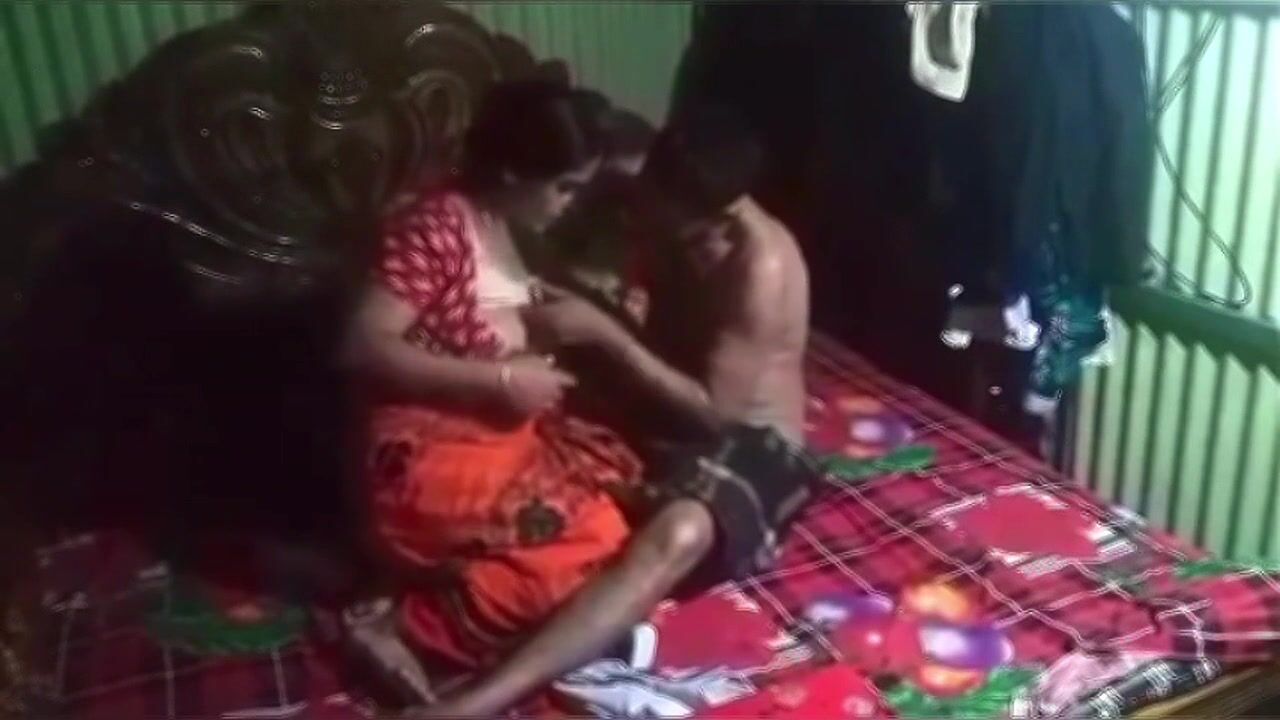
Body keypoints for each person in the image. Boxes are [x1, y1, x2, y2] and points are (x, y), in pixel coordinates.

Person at [343, 80, 715, 713]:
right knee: (596, 559)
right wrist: (500, 381)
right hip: (427, 452)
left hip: (501, 439)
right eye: (563, 187)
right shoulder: (435, 226)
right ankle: (411, 626)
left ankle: (430, 610)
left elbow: (486, 314)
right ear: (513, 172)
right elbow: (361, 345)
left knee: (622, 533)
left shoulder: (506, 225)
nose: (570, 204)